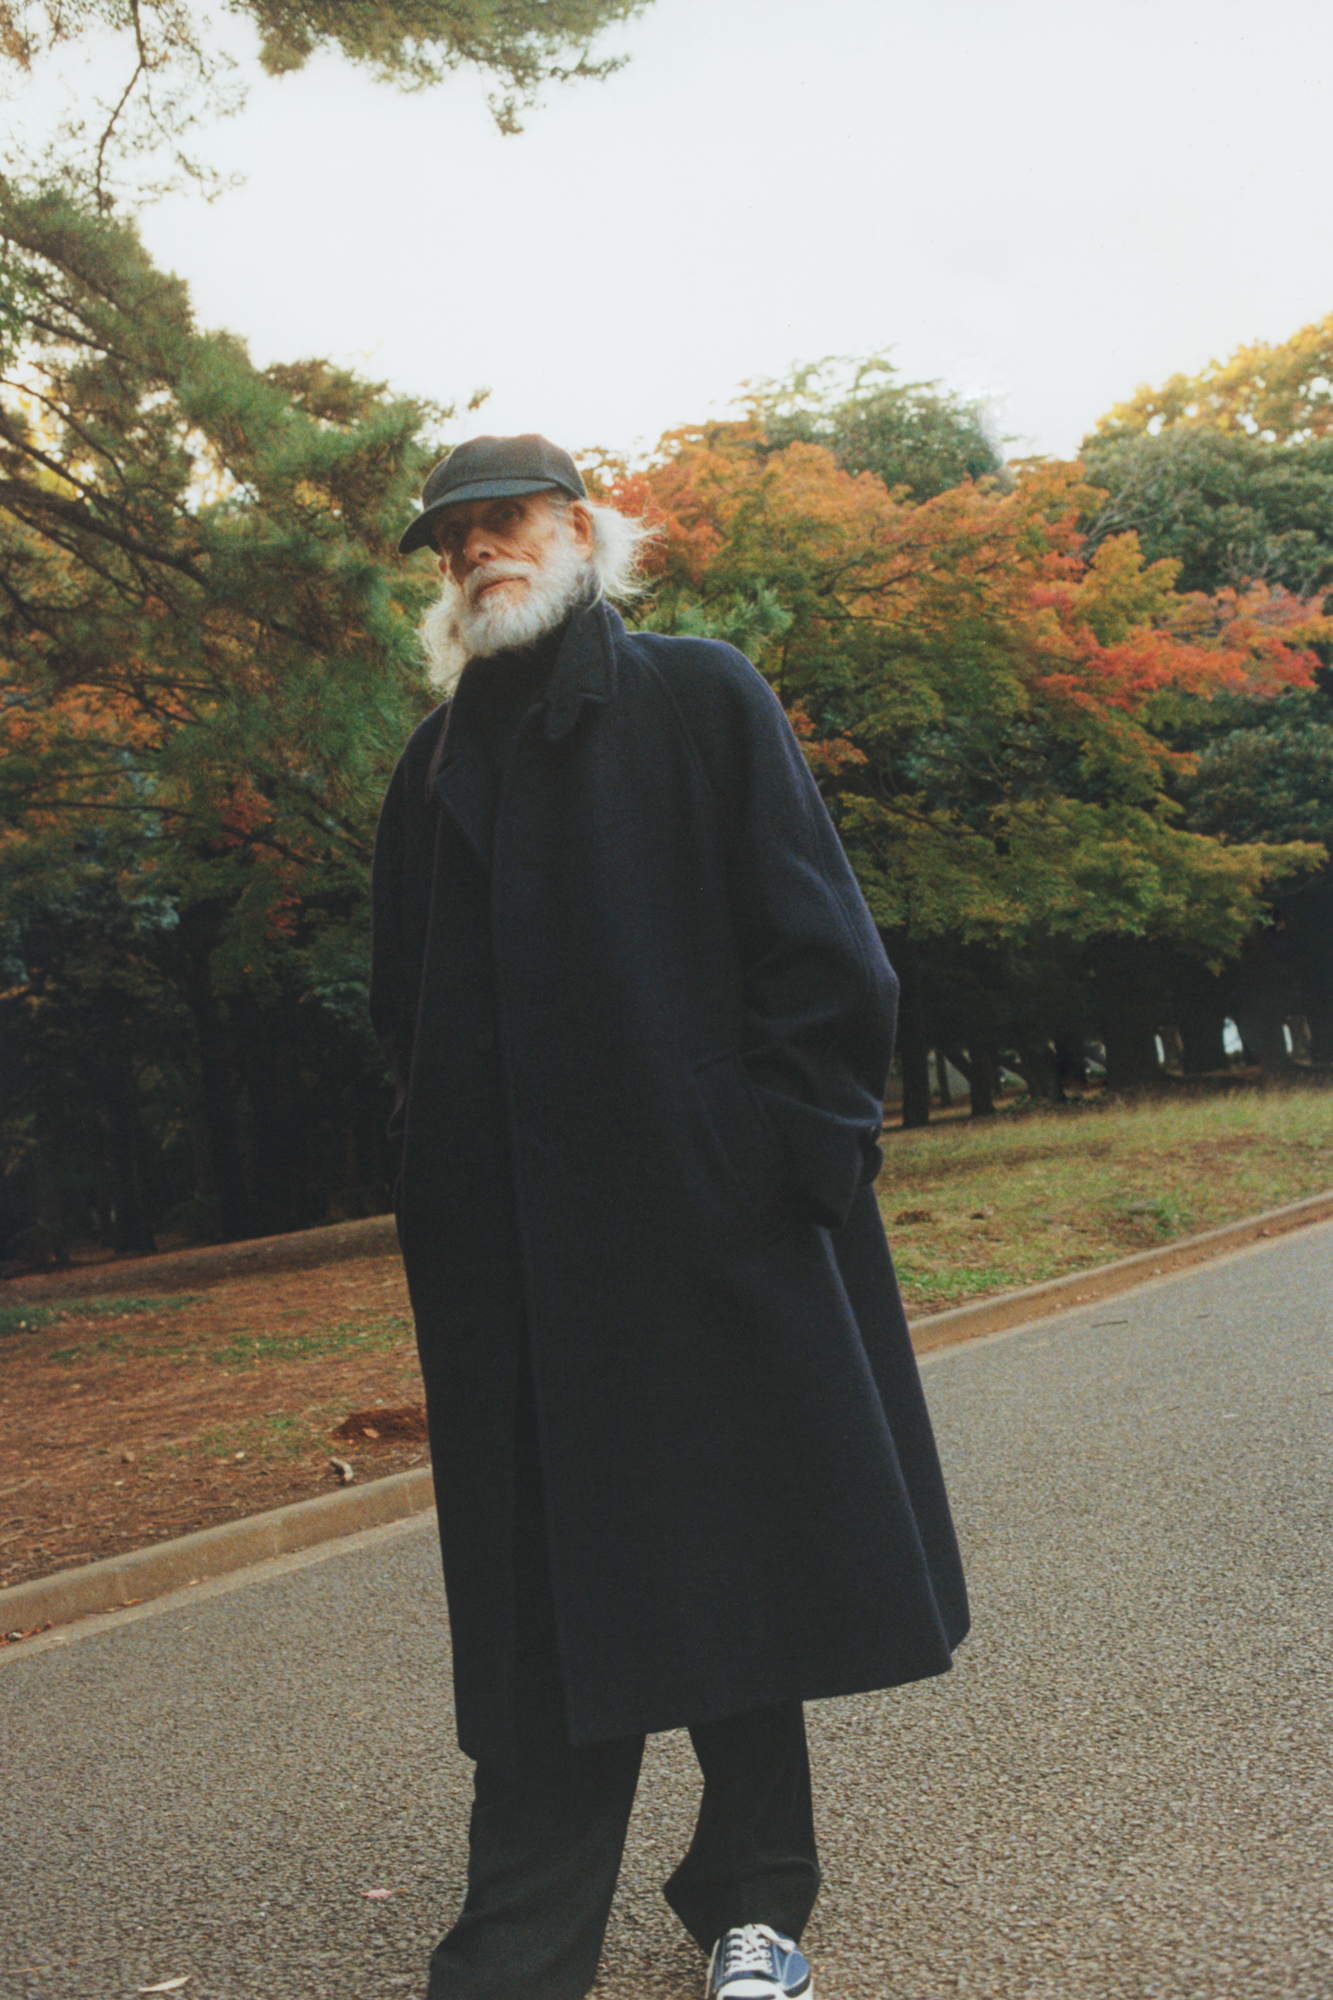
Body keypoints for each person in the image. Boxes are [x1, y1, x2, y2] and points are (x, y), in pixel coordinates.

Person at [370, 434, 969, 2000]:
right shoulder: (429, 768)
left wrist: (775, 1177)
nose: (476, 552)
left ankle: (756, 1906)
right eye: (451, 539)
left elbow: (825, 961)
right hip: (513, 1276)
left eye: (504, 521)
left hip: (713, 1239)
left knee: (731, 1568)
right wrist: (437, 1193)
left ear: (580, 530)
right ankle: (514, 1963)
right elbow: (401, 1013)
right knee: (548, 1618)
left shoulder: (699, 693)